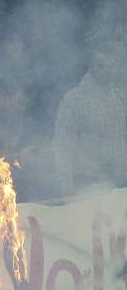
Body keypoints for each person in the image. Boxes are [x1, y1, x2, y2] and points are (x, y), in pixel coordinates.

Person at [53, 41, 127, 196]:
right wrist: (67, 186)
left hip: (121, 181)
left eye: (111, 65)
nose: (108, 70)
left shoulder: (120, 96)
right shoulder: (73, 99)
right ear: (91, 67)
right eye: (101, 66)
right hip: (90, 183)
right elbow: (63, 146)